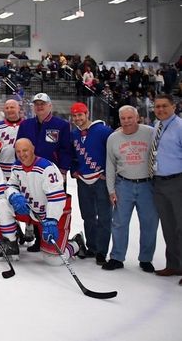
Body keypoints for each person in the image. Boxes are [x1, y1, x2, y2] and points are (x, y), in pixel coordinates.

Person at [4, 138, 85, 264]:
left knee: (54, 260)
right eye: (18, 151)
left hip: (55, 213)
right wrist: (14, 195)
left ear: (33, 149)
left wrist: (52, 220)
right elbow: (10, 186)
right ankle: (11, 242)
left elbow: (56, 197)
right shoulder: (16, 166)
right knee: (2, 205)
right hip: (31, 211)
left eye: (25, 150)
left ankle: (76, 243)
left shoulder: (47, 168)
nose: (21, 154)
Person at [104, 105, 158, 272]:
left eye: (129, 118)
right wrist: (111, 190)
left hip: (147, 185)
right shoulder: (113, 138)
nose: (126, 121)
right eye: (123, 118)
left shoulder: (150, 133)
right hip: (123, 184)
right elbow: (110, 165)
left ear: (137, 117)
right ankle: (117, 257)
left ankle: (146, 259)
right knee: (119, 223)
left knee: (149, 223)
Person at [17, 92, 72, 251]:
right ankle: (38, 239)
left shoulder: (61, 125)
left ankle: (58, 239)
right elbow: (19, 147)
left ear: (50, 106)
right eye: (37, 104)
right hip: (31, 172)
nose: (39, 106)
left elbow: (66, 150)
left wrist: (63, 170)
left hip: (52, 175)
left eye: (43, 103)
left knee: (53, 206)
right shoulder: (26, 125)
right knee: (35, 204)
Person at [70, 102, 114, 265]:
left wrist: (108, 173)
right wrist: (74, 169)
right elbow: (73, 156)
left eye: (80, 115)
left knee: (104, 217)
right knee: (87, 216)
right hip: (83, 181)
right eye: (74, 116)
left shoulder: (104, 131)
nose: (77, 118)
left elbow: (112, 154)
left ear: (87, 113)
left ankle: (102, 252)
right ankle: (92, 247)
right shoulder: (74, 134)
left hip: (101, 181)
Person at [149, 94, 182, 283]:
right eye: (157, 106)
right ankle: (174, 265)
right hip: (159, 182)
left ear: (173, 107)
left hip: (177, 182)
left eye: (164, 106)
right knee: (168, 226)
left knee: (181, 226)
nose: (160, 109)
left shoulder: (179, 127)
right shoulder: (157, 126)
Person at [0, 99, 23, 179]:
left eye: (12, 107)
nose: (9, 110)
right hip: (3, 173)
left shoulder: (27, 125)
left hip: (23, 170)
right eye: (7, 108)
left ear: (18, 109)